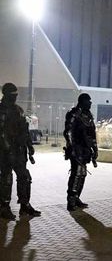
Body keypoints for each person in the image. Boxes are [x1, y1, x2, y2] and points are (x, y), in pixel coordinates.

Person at [0, 83, 41, 220]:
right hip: (5, 151)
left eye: (16, 95)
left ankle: (25, 205)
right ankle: (4, 207)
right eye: (13, 95)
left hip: (19, 150)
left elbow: (25, 130)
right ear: (6, 95)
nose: (15, 97)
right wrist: (8, 149)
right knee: (6, 178)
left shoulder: (19, 110)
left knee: (25, 177)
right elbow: (1, 133)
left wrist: (29, 147)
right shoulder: (2, 111)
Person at [64, 93, 98, 211]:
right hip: (76, 148)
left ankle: (77, 197)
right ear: (83, 101)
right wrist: (72, 147)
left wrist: (95, 148)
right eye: (88, 101)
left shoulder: (88, 115)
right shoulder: (74, 114)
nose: (90, 103)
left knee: (82, 173)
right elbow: (68, 131)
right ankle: (71, 199)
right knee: (77, 173)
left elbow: (92, 134)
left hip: (85, 149)